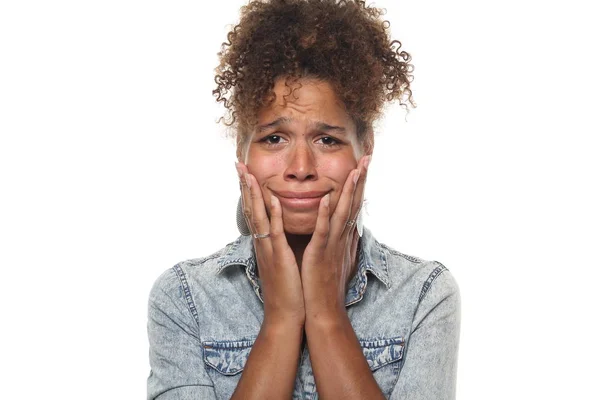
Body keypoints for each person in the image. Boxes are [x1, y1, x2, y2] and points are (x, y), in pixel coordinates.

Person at [147, 0, 460, 399]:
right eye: (273, 138)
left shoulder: (424, 295)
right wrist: (282, 319)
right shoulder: (184, 297)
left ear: (365, 148)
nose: (300, 167)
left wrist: (327, 315)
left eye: (327, 139)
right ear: (241, 150)